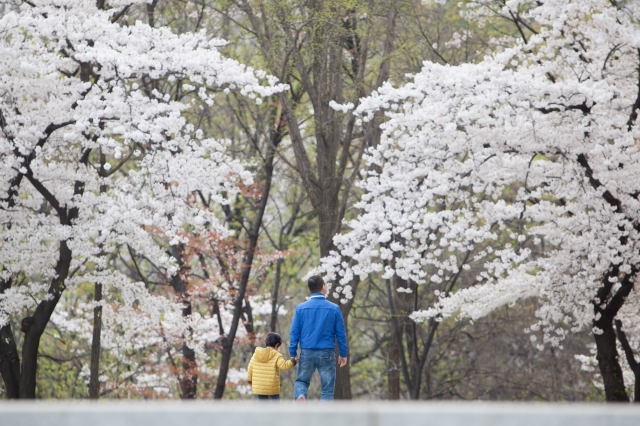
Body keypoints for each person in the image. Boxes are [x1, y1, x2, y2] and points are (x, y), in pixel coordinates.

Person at [289, 275, 348, 401]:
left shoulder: (300, 308)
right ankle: (323, 418)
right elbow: (341, 333)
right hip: (326, 352)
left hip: (306, 351)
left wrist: (293, 353)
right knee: (327, 389)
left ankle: (300, 396)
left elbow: (294, 332)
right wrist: (343, 354)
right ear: (323, 287)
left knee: (301, 381)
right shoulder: (334, 308)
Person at [247, 332, 297, 401]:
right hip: (272, 386)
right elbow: (284, 366)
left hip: (260, 386)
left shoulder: (256, 354)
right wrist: (293, 361)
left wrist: (250, 381)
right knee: (275, 406)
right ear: (277, 345)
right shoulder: (277, 355)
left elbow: (250, 368)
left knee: (262, 406)